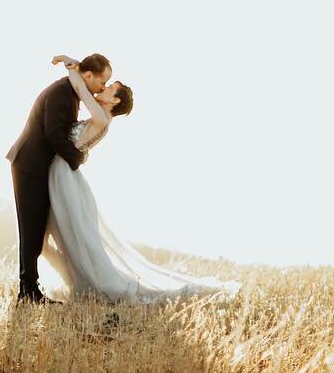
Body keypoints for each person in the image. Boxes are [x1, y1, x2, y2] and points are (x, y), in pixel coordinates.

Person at [42, 55, 240, 303]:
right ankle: (75, 280)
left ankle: (87, 284)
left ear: (114, 101)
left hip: (64, 177)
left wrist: (72, 66)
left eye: (109, 88)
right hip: (64, 175)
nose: (103, 87)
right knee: (62, 238)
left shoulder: (102, 118)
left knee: (72, 239)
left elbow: (81, 88)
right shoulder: (101, 118)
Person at [6, 52, 111, 302]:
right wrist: (77, 159)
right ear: (88, 76)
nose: (102, 87)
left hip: (41, 166)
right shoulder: (62, 93)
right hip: (29, 164)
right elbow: (53, 133)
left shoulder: (72, 91)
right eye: (101, 81)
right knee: (31, 228)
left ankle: (31, 288)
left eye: (106, 85)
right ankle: (28, 291)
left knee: (39, 228)